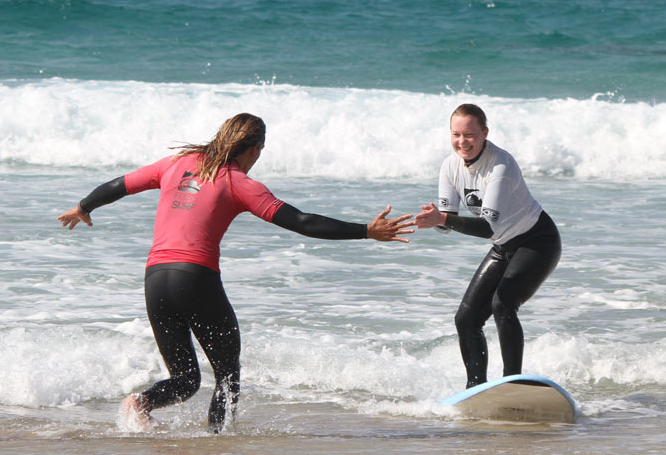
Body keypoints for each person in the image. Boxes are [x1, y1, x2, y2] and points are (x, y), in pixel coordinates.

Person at [57, 113, 414, 431]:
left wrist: (82, 207)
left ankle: (140, 403)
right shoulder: (237, 181)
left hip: (155, 278)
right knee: (227, 376)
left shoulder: (176, 163)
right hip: (195, 277)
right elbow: (301, 221)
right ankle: (217, 440)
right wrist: (366, 231)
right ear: (255, 149)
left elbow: (120, 185)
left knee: (184, 379)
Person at [414, 104, 561, 389]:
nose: (462, 141)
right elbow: (448, 224)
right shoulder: (450, 166)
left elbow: (486, 227)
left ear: (484, 133)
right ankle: (476, 387)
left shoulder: (500, 165)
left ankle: (512, 384)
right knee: (466, 318)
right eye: (456, 134)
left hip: (537, 241)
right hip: (503, 245)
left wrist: (444, 219)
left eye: (469, 135)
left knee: (502, 304)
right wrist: (436, 219)